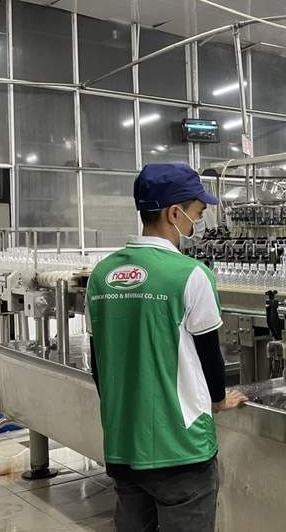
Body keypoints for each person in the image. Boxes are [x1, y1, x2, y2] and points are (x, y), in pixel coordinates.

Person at [85, 162, 247, 532]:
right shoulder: (190, 274)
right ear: (174, 213)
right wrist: (218, 399)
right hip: (180, 449)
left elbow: (99, 362)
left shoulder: (101, 274)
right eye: (197, 213)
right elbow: (210, 356)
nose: (197, 223)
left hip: (123, 445)